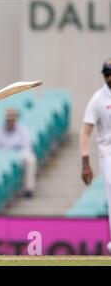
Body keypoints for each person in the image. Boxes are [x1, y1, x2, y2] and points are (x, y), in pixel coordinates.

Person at [80, 58, 111, 255]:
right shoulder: (98, 99)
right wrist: (85, 162)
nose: (109, 78)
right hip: (108, 153)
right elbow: (85, 132)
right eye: (107, 74)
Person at [0, 108, 37, 198]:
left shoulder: (23, 131)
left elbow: (27, 148)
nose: (9, 121)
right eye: (8, 119)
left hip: (19, 155)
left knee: (31, 159)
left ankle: (29, 188)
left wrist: (16, 155)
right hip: (3, 156)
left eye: (11, 119)